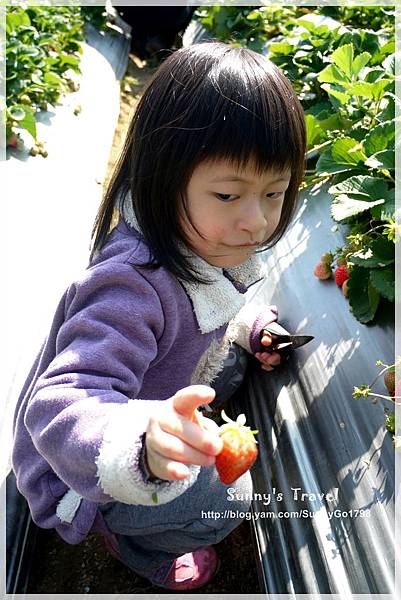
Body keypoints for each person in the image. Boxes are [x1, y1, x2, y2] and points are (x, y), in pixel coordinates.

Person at [12, 42, 306, 591]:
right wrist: (142, 445)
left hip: (159, 389)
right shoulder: (130, 287)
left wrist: (254, 327)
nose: (259, 221)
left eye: (276, 192)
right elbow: (61, 403)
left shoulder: (202, 237)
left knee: (235, 368)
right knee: (227, 499)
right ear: (163, 178)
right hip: (83, 464)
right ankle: (134, 544)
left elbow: (216, 299)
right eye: (228, 193)